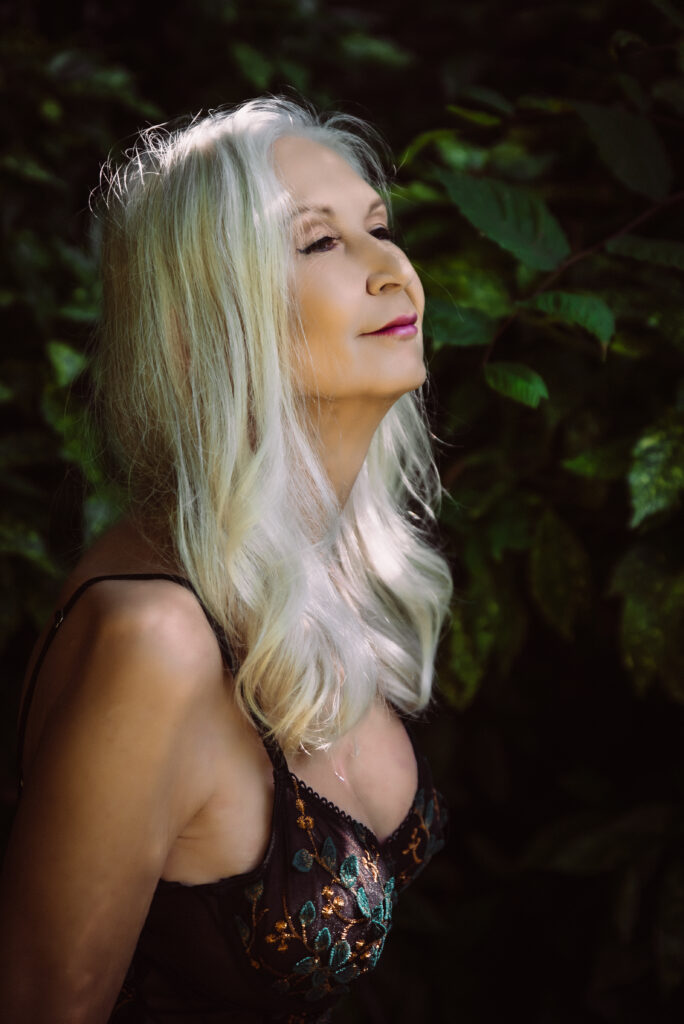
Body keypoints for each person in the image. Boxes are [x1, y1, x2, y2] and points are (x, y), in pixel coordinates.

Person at [0, 96, 453, 1023]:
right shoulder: (157, 638)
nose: (392, 271)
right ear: (211, 318)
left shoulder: (318, 568)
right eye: (320, 242)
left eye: (379, 229)